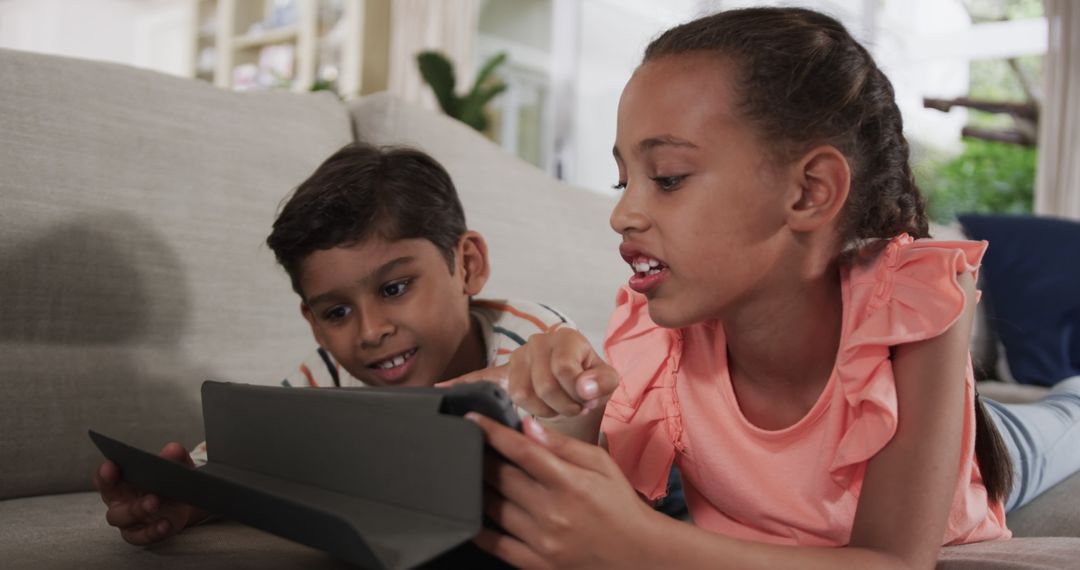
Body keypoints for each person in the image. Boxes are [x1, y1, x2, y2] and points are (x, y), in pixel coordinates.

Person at [463, 7, 1080, 569]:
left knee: (1066, 418)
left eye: (669, 178)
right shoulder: (660, 332)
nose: (621, 215)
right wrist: (570, 408)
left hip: (979, 454)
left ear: (810, 191)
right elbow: (590, 512)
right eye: (625, 182)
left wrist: (643, 544)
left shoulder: (911, 303)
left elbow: (894, 561)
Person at [91, 143, 592, 547]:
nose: (370, 332)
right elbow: (251, 460)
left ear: (468, 265)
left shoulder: (532, 341)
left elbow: (576, 470)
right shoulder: (328, 376)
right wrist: (190, 499)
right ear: (312, 322)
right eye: (337, 313)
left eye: (395, 288)